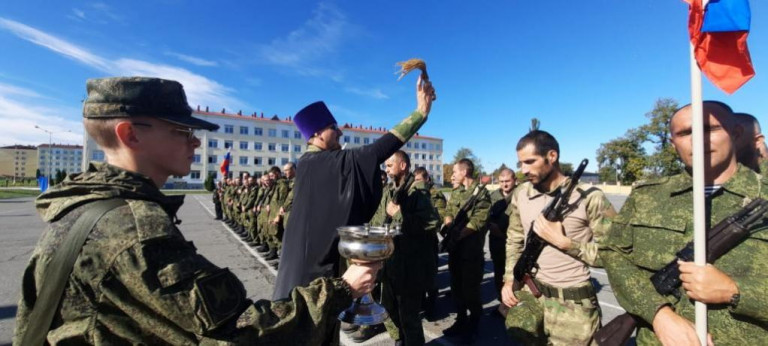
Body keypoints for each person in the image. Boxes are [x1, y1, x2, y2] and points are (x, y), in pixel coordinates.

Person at [13, 77, 382, 345]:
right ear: (131, 135)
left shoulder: (85, 208)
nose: (195, 142)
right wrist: (341, 289)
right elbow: (237, 333)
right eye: (181, 131)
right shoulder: (133, 231)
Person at [601, 101, 768, 345]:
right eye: (685, 133)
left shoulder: (762, 196)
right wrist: (658, 313)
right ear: (673, 144)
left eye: (710, 129)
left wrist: (735, 291)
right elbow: (613, 253)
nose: (698, 140)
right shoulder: (647, 195)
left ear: (736, 133)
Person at [273, 76, 435, 300]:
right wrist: (421, 113)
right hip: (310, 277)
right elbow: (376, 151)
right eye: (333, 128)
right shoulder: (318, 162)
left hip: (302, 265)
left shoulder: (308, 164)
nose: (340, 133)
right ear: (317, 134)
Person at [501, 130, 616, 345]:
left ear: (551, 156)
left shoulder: (590, 197)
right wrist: (509, 279)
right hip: (531, 297)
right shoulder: (521, 193)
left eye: (530, 162)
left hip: (573, 308)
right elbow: (514, 239)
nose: (523, 170)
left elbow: (616, 255)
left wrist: (566, 244)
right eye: (521, 163)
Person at [368, 151, 440, 346]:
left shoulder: (417, 192)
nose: (386, 169)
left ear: (403, 165)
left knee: (409, 315)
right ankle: (399, 339)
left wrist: (400, 214)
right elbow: (378, 220)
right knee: (387, 307)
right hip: (389, 262)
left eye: (390, 165)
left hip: (410, 266)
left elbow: (432, 223)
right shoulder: (390, 191)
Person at [442, 158, 491, 344]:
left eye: (455, 171)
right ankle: (461, 320)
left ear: (464, 172)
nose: (453, 175)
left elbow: (478, 221)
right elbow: (448, 211)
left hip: (471, 253)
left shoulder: (481, 194)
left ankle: (474, 324)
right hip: (455, 251)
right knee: (456, 288)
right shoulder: (457, 192)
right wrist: (449, 226)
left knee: (471, 292)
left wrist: (458, 235)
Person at [413, 167, 445, 320]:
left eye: (419, 180)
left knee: (430, 276)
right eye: (415, 180)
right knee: (416, 275)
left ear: (427, 179)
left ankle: (431, 304)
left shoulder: (435, 194)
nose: (417, 183)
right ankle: (421, 302)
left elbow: (439, 218)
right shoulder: (414, 194)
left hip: (429, 240)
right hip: (415, 241)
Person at [487, 168, 516, 317]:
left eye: (507, 181)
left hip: (514, 242)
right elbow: (485, 215)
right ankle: (502, 305)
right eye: (502, 181)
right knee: (499, 274)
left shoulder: (520, 195)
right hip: (497, 242)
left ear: (515, 180)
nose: (504, 184)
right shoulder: (493, 196)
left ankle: (514, 307)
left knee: (515, 276)